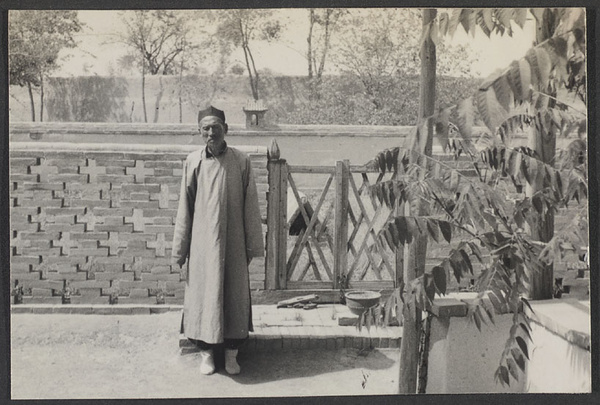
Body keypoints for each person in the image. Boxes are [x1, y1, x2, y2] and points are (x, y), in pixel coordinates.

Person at [172, 106, 264, 375]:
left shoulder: (241, 161)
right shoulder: (193, 162)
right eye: (205, 128)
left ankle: (233, 354)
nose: (211, 133)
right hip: (203, 245)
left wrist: (251, 246)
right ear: (200, 131)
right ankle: (207, 354)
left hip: (234, 244)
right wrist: (181, 250)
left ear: (226, 129)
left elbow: (251, 207)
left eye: (216, 127)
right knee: (204, 297)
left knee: (233, 297)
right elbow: (184, 208)